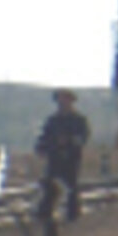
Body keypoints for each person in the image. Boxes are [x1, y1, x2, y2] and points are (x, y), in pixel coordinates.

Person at [36, 88, 91, 222]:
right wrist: (41, 147)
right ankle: (45, 211)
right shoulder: (53, 120)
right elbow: (45, 136)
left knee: (71, 185)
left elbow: (83, 137)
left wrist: (71, 141)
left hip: (71, 157)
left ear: (71, 101)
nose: (62, 102)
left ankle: (72, 212)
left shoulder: (79, 120)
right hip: (54, 156)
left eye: (65, 99)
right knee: (50, 183)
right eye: (60, 99)